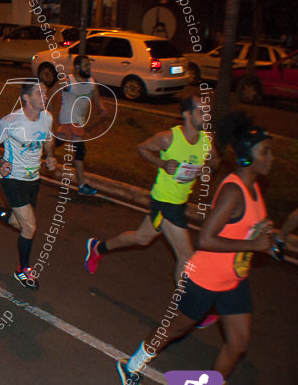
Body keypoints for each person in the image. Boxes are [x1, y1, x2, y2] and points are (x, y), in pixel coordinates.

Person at [116, 113, 275, 385]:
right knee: (175, 328)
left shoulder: (255, 189)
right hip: (206, 278)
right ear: (246, 158)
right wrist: (253, 246)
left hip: (233, 279)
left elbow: (242, 231)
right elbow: (206, 239)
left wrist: (262, 235)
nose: (271, 157)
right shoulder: (233, 192)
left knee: (238, 343)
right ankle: (131, 365)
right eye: (265, 152)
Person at [85, 95, 218, 282]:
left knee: (141, 238)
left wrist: (208, 166)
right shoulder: (167, 138)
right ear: (187, 114)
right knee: (186, 256)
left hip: (180, 202)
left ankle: (98, 248)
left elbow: (214, 162)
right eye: (202, 112)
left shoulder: (207, 138)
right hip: (164, 201)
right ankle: (190, 307)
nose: (207, 116)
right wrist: (162, 163)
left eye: (208, 111)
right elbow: (141, 148)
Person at [0, 81, 56, 288]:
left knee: (20, 224)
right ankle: (23, 270)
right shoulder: (10, 121)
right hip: (11, 179)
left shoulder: (47, 117)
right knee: (29, 226)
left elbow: (48, 139)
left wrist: (51, 155)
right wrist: (1, 161)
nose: (45, 96)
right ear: (26, 97)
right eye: (40, 93)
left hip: (32, 180)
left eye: (46, 93)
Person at [55, 55, 108, 195]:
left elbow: (96, 99)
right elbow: (50, 93)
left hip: (78, 120)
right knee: (80, 150)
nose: (88, 68)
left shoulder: (91, 82)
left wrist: (102, 109)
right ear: (77, 67)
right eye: (86, 65)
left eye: (89, 65)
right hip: (68, 119)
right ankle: (82, 185)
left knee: (57, 142)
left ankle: (34, 152)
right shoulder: (67, 82)